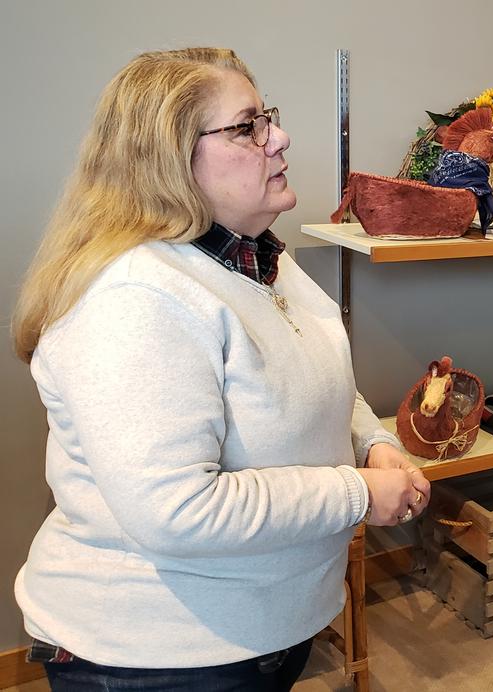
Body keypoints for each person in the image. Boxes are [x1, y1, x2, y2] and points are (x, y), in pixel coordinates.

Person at [10, 47, 429, 691]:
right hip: (160, 658)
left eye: (269, 118)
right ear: (169, 160)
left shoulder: (258, 258)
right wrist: (357, 494)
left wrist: (372, 445)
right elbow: (177, 510)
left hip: (260, 632)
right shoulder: (136, 296)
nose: (280, 138)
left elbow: (310, 380)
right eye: (247, 127)